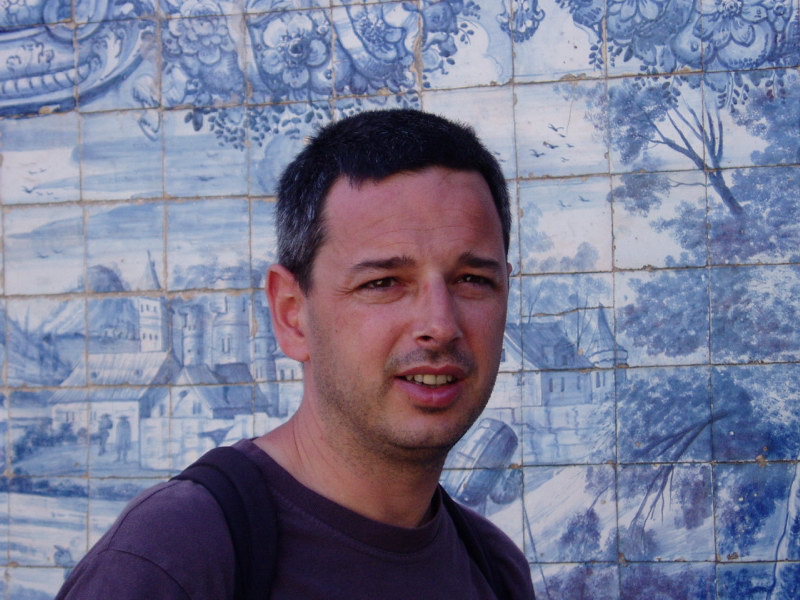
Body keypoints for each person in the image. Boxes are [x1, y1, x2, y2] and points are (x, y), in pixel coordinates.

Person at [56, 109, 535, 599]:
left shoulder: (495, 568)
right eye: (383, 282)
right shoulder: (173, 559)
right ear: (291, 314)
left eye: (473, 280)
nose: (440, 325)